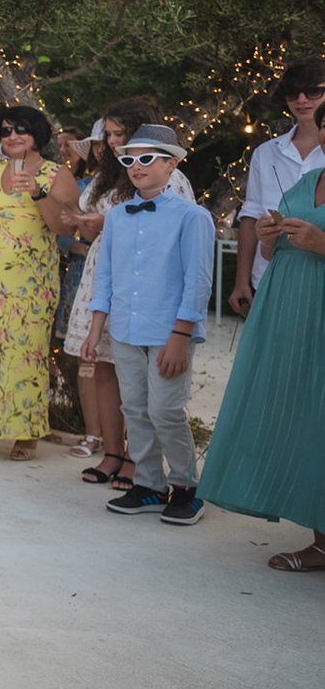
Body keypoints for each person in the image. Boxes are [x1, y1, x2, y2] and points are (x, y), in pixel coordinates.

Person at [200, 103, 325, 569]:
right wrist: (271, 237)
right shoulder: (306, 183)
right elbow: (273, 252)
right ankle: (320, 540)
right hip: (289, 309)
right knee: (300, 415)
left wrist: (322, 244)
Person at [81, 125, 214, 525]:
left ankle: (187, 487)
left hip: (169, 332)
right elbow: (105, 276)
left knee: (166, 410)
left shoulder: (193, 217)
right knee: (135, 409)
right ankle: (149, 484)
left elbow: (198, 282)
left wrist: (181, 336)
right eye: (129, 159)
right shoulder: (117, 217)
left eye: (147, 158)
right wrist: (95, 330)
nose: (136, 166)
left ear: (172, 164)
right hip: (125, 329)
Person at [60, 101, 195, 488]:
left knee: (143, 377)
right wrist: (88, 224)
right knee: (104, 367)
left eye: (121, 134)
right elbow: (91, 234)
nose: (112, 141)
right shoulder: (106, 176)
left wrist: (110, 221)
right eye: (109, 135)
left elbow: (170, 228)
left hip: (145, 277)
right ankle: (113, 452)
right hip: (104, 271)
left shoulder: (170, 178)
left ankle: (141, 459)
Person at [0, 106, 81, 460]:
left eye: (20, 129)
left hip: (31, 284)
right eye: (6, 131)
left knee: (27, 355)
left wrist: (39, 194)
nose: (12, 136)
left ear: (37, 133)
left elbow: (67, 226)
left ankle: (25, 434)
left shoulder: (57, 174)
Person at [229, 56, 325, 316]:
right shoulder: (265, 153)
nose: (302, 100)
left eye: (313, 91)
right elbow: (250, 216)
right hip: (269, 277)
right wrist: (241, 281)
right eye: (292, 93)